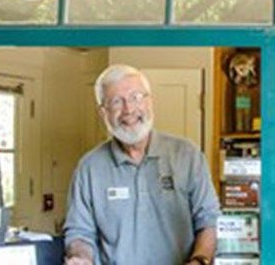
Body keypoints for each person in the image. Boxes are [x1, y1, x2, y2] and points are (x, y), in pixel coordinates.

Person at [64, 64, 220, 265]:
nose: (129, 109)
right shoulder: (89, 168)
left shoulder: (187, 155)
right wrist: (81, 257)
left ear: (150, 102)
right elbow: (79, 232)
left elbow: (209, 221)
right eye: (116, 101)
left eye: (136, 97)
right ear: (104, 113)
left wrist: (200, 260)